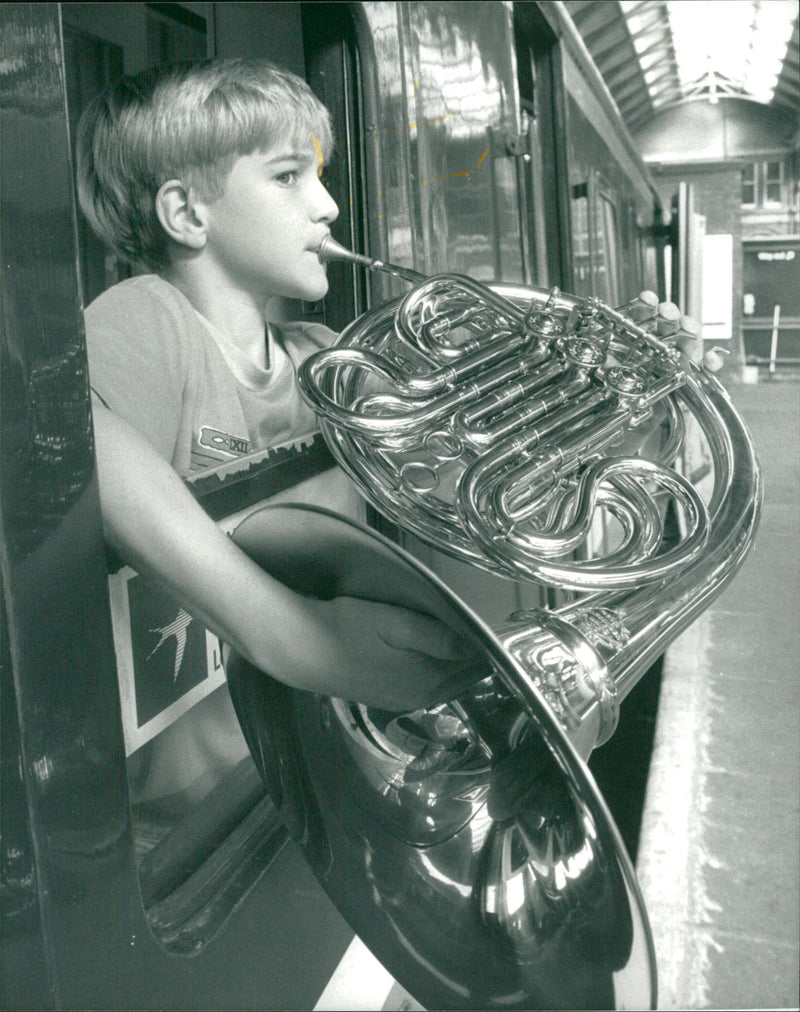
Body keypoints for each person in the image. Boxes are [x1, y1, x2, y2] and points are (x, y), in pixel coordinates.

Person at [76, 58, 483, 807]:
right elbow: (72, 440)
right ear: (187, 214)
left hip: (305, 785)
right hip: (194, 827)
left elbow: (463, 490)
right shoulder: (148, 320)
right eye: (289, 176)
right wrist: (297, 636)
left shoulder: (323, 356)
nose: (327, 206)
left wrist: (615, 405)